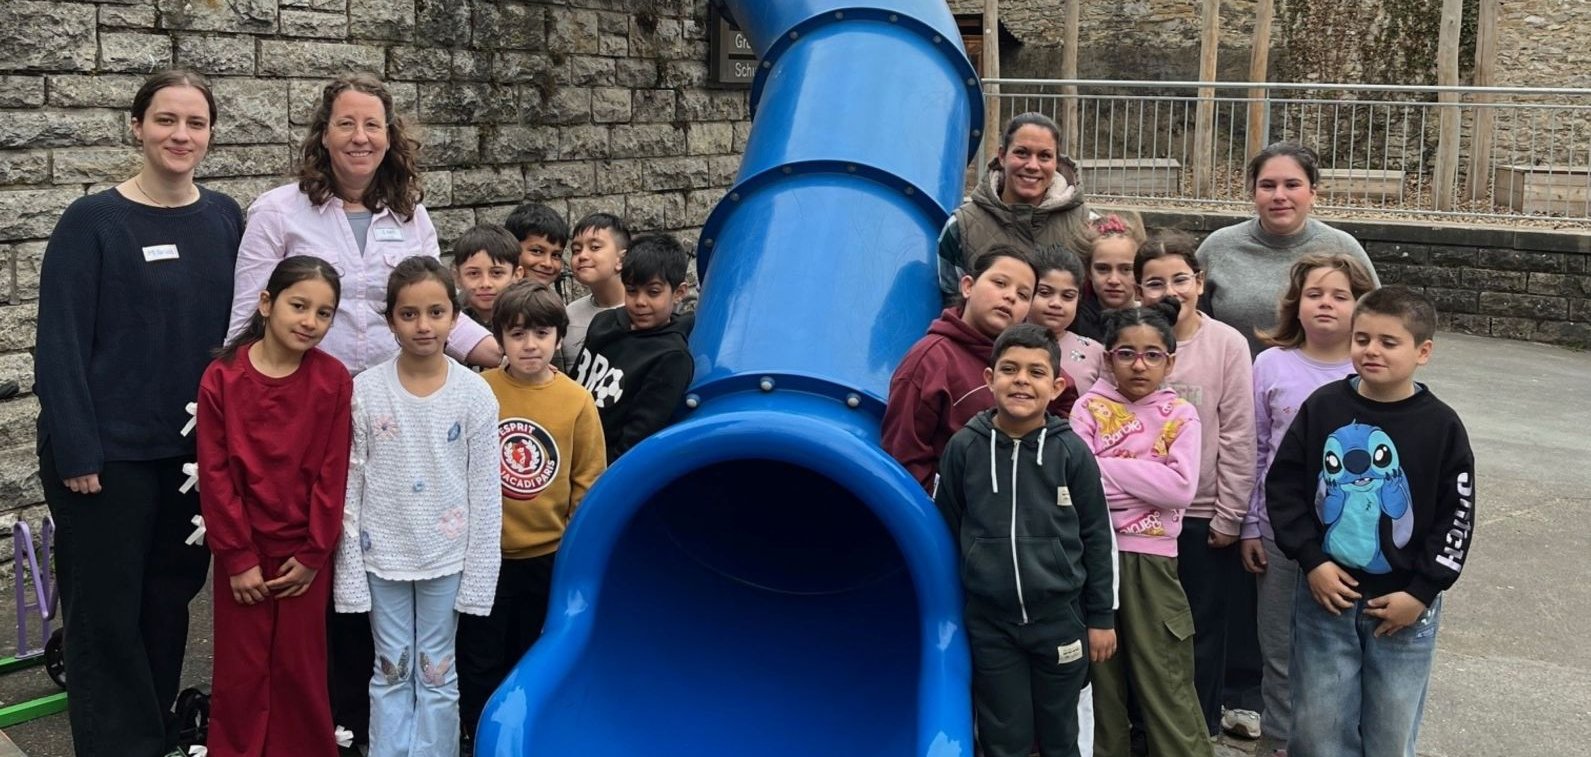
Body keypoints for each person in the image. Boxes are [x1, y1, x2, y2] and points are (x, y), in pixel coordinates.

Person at [227, 73, 501, 747]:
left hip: (395, 409)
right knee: (323, 558)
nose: (359, 137)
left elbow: (431, 303)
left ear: (389, 136)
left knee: (375, 555)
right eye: (346, 123)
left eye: (372, 125)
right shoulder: (276, 212)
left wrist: (497, 351)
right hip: (307, 412)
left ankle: (376, 723)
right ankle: (327, 719)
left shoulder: (408, 215)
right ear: (323, 133)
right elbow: (245, 320)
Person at [34, 68, 242, 757]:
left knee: (167, 602)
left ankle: (152, 735)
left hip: (188, 456)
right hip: (107, 458)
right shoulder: (93, 222)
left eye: (195, 123)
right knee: (106, 615)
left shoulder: (225, 218)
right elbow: (59, 342)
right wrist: (77, 451)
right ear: (136, 126)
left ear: (210, 134)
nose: (180, 135)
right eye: (165, 120)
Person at [1266, 287, 1474, 757]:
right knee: (1317, 728)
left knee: (1390, 732)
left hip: (1405, 607)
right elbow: (1284, 488)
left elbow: (1457, 517)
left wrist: (1422, 591)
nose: (1371, 350)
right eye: (1362, 339)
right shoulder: (1323, 407)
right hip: (1327, 597)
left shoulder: (1442, 426)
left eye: (1388, 342)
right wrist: (1313, 560)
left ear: (1423, 351)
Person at [334, 257, 502, 757]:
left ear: (455, 317)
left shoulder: (475, 394)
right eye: (409, 314)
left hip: (446, 557)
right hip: (381, 554)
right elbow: (350, 483)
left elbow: (485, 491)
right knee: (391, 669)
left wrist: (480, 573)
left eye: (435, 312)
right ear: (390, 320)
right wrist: (349, 567)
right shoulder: (364, 391)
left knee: (437, 671)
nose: (423, 325)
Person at [935, 323, 1116, 757]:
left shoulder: (1072, 452)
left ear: (1056, 387)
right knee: (1004, 736)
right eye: (1009, 369)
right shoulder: (964, 448)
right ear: (989, 377)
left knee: (1061, 734)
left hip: (1060, 619)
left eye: (1036, 372)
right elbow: (945, 530)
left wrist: (1101, 618)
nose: (1021, 380)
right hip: (991, 624)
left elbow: (1096, 536)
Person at [197, 256, 352, 757]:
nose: (310, 321)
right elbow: (215, 475)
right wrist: (237, 558)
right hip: (243, 552)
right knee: (241, 671)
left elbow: (333, 473)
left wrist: (314, 554)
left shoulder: (333, 380)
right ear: (266, 303)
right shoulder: (222, 378)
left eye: (324, 313)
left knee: (300, 667)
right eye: (299, 306)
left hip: (302, 557)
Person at [457, 281, 606, 741]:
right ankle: (477, 735)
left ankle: (526, 735)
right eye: (517, 334)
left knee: (533, 652)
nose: (529, 345)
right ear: (499, 338)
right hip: (485, 556)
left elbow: (588, 481)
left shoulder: (577, 401)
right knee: (480, 654)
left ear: (559, 337)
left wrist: (571, 549)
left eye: (541, 333)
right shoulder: (479, 390)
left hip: (547, 556)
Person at [1241, 253, 1376, 755]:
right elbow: (1256, 448)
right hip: (1278, 533)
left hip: (1352, 538)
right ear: (1295, 304)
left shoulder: (1371, 369)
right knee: (1279, 643)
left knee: (1340, 648)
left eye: (1340, 296)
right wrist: (1250, 525)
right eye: (1314, 294)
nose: (1326, 304)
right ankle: (1279, 739)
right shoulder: (1270, 363)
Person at [1069, 301, 1210, 757]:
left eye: (1152, 355)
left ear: (1170, 362)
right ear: (1109, 358)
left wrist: (1105, 469)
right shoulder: (1088, 409)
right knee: (1101, 680)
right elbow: (1079, 487)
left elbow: (1180, 488)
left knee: (1165, 674)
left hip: (1153, 561)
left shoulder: (1180, 414)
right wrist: (1147, 480)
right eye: (1126, 353)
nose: (1139, 364)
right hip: (1094, 556)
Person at [1133, 232, 1256, 740]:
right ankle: (1143, 729)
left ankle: (1199, 728)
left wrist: (1230, 513)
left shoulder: (1226, 344)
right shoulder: (1131, 340)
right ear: (1138, 291)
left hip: (1203, 512)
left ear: (1200, 283)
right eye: (1155, 282)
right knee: (1145, 627)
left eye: (1180, 279)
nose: (1170, 291)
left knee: (1202, 625)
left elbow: (1239, 432)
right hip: (1138, 516)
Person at [1195, 142, 1380, 355]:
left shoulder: (1342, 248)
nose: (1279, 196)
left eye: (1292, 185)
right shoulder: (1218, 248)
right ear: (1253, 193)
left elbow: (1378, 321)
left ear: (1312, 193)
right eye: (1268, 185)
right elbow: (1188, 324)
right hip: (1230, 374)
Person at [883, 246, 1037, 492]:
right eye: (1000, 283)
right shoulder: (930, 359)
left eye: (1023, 294)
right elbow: (904, 459)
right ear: (967, 287)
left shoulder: (1024, 365)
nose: (1010, 297)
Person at [936, 112, 1094, 303]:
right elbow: (952, 306)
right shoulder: (960, 228)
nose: (1032, 165)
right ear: (1002, 156)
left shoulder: (1089, 225)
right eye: (1022, 153)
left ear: (1056, 162)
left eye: (1044, 156)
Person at [572, 233, 692, 463]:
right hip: (566, 449)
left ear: (679, 292)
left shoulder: (671, 358)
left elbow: (636, 439)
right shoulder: (604, 322)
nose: (640, 302)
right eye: (632, 290)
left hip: (603, 467)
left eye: (653, 292)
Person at [1027, 243, 1106, 402]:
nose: (1056, 303)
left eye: (1068, 296)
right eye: (1044, 292)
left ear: (1078, 298)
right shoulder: (1002, 342)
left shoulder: (1096, 353)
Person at [561, 212, 631, 368]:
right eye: (576, 250)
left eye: (595, 247)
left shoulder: (642, 313)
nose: (582, 256)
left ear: (622, 259)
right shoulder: (569, 315)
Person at [1073, 212, 1146, 341]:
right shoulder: (1072, 322)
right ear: (1088, 271)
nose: (1114, 280)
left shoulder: (1155, 321)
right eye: (1103, 269)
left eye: (1126, 269)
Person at [450, 224, 522, 328]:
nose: (485, 284)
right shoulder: (448, 324)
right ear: (457, 277)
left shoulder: (534, 319)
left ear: (516, 275)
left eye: (496, 273)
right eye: (474, 273)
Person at [504, 201, 570, 294]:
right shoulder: (492, 299)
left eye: (556, 255)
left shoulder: (550, 303)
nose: (548, 264)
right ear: (511, 248)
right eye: (537, 251)